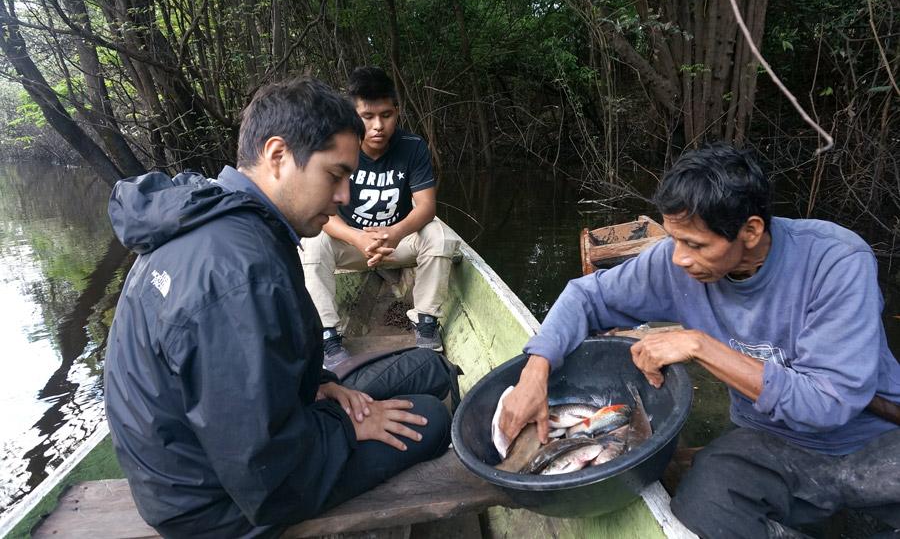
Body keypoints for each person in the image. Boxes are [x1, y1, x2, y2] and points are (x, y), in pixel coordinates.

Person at [104, 77, 453, 539]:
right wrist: (346, 430)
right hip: (217, 502)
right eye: (335, 175)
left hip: (241, 444)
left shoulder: (228, 218)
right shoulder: (238, 275)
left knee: (431, 368)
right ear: (277, 156)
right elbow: (264, 472)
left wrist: (322, 388)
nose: (345, 197)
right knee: (431, 418)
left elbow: (257, 381)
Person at [498, 144, 900, 538]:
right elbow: (586, 297)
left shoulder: (836, 262)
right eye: (674, 239)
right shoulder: (675, 267)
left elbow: (827, 405)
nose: (678, 258)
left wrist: (699, 344)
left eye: (696, 244)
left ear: (751, 230)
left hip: (873, 439)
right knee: (701, 509)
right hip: (769, 442)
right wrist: (537, 369)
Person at [301, 66, 461, 368]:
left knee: (440, 235)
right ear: (352, 114)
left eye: (386, 115)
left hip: (397, 243)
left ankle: (426, 321)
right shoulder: (333, 148)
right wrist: (357, 237)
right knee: (313, 242)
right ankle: (328, 335)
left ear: (397, 112)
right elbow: (322, 211)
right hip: (351, 245)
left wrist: (395, 233)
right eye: (367, 117)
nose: (378, 126)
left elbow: (426, 206)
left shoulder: (412, 147)